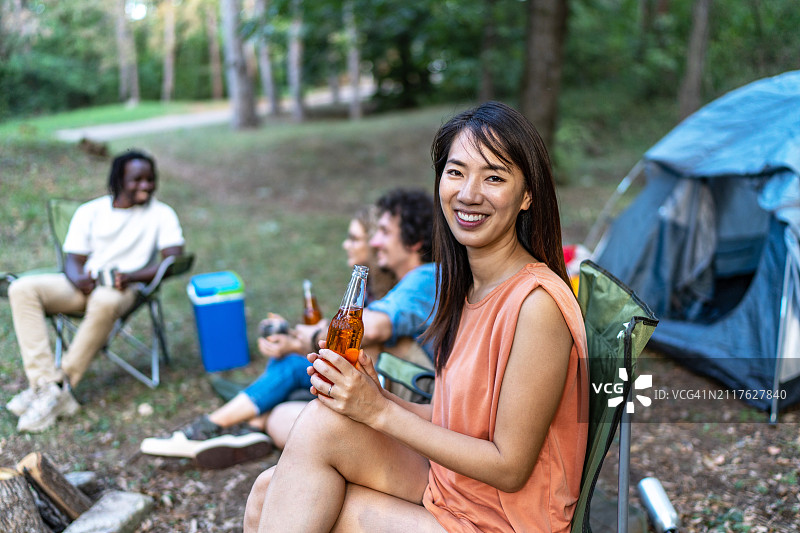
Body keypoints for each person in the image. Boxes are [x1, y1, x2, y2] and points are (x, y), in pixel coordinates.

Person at [243, 101, 589, 532]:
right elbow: (458, 420)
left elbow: (510, 466)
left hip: (506, 519)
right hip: (461, 489)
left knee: (310, 501)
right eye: (456, 172)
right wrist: (375, 396)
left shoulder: (536, 306)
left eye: (494, 177)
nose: (468, 193)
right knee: (268, 487)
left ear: (526, 195)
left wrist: (379, 414)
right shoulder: (469, 286)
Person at [142, 189, 437, 467]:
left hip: (406, 399)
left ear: (414, 243)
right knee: (289, 389)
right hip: (389, 388)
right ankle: (249, 428)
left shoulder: (425, 277)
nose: (375, 242)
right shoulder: (400, 284)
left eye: (384, 233)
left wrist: (304, 340)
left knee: (292, 372)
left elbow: (371, 330)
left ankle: (207, 429)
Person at [5, 150, 185, 433]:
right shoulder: (90, 211)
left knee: (104, 298)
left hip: (124, 289)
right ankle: (45, 385)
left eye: (151, 179)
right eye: (137, 179)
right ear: (118, 179)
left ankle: (59, 387)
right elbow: (73, 261)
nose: (146, 185)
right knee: (21, 288)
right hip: (83, 285)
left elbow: (173, 259)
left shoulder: (161, 214)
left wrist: (131, 276)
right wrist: (78, 279)